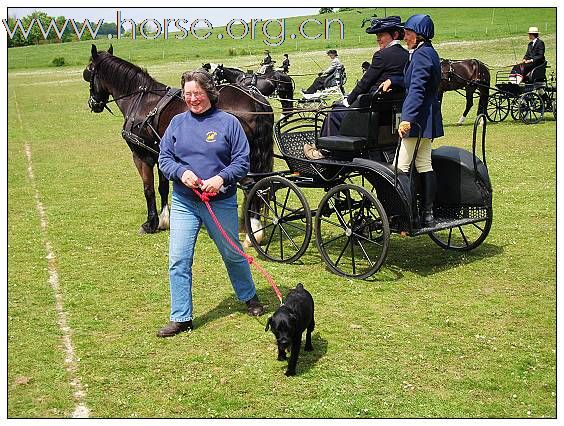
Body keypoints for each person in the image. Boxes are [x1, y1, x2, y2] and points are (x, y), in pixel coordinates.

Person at [157, 70, 265, 338]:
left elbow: (242, 161)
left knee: (232, 253)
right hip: (184, 202)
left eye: (197, 93)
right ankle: (181, 317)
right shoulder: (177, 124)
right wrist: (182, 173)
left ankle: (249, 296)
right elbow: (165, 159)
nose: (192, 99)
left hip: (220, 202)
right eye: (188, 94)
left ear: (209, 93)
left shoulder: (228, 123)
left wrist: (220, 178)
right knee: (178, 259)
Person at [379, 14, 444, 227]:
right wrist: (394, 79)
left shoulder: (422, 55)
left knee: (400, 167)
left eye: (408, 34)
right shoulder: (427, 53)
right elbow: (411, 79)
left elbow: (416, 89)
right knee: (424, 163)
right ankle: (427, 214)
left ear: (419, 35)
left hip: (417, 120)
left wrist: (406, 119)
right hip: (427, 119)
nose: (405, 38)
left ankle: (407, 215)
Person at [321, 16, 409, 136]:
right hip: (392, 106)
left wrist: (347, 101)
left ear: (394, 35)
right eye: (377, 36)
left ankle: (326, 150)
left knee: (335, 113)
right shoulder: (406, 55)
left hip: (373, 107)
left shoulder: (381, 55)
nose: (378, 39)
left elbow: (365, 82)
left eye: (381, 35)